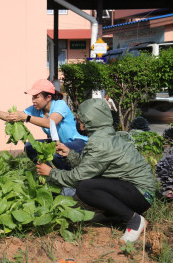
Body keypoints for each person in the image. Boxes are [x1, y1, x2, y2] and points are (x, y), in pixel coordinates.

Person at [36, 98, 156, 243]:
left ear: (90, 121)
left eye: (80, 119)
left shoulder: (100, 143)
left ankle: (134, 220)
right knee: (89, 182)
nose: (78, 123)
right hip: (138, 191)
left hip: (140, 194)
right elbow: (91, 167)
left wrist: (51, 173)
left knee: (85, 187)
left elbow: (78, 177)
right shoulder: (104, 137)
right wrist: (70, 154)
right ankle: (113, 216)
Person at [0, 79, 88, 171]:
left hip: (77, 142)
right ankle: (48, 173)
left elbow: (50, 123)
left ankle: (67, 176)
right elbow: (12, 117)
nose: (33, 101)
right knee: (30, 147)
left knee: (56, 152)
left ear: (48, 97)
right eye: (32, 97)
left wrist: (25, 117)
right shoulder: (36, 110)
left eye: (36, 97)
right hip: (59, 143)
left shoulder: (60, 105)